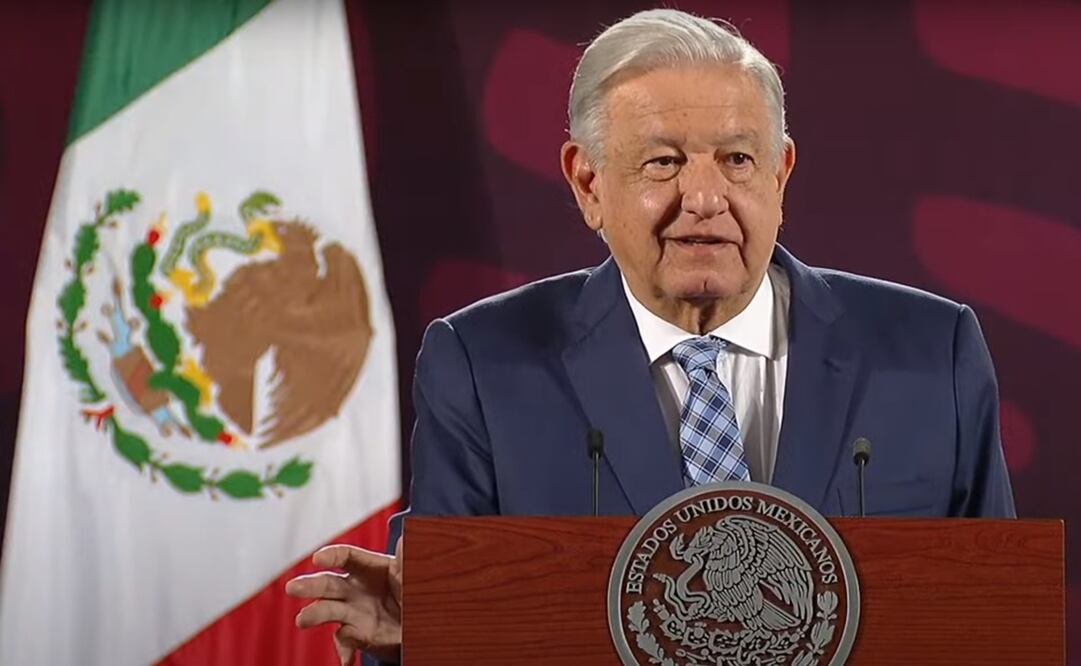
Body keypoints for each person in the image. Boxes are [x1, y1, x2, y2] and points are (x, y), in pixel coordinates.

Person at [285, 8, 1016, 663]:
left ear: (780, 175)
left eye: (736, 160)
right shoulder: (483, 365)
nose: (704, 198)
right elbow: (441, 615)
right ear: (588, 184)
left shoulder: (931, 353)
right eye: (663, 162)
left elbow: (999, 621)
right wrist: (418, 638)